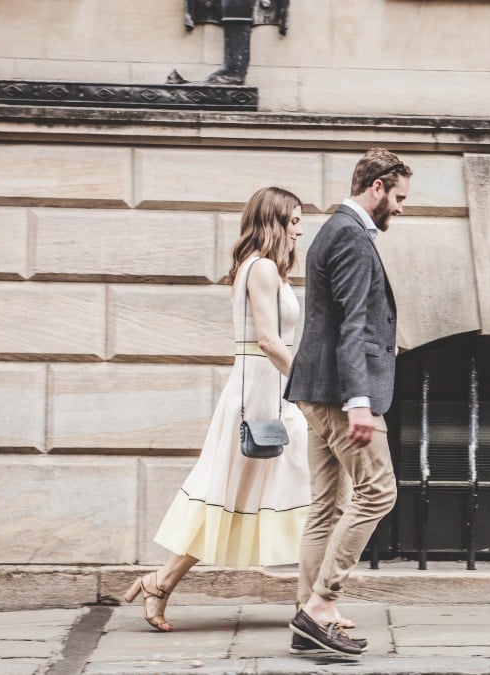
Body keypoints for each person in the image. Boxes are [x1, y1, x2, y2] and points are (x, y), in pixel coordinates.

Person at [123, 186, 310, 632]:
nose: (301, 230)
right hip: (262, 394)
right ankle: (318, 603)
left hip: (267, 389)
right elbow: (267, 340)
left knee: (256, 493)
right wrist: (307, 384)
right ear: (275, 221)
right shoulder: (262, 268)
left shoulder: (259, 268)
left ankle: (161, 583)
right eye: (295, 221)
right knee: (234, 495)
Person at [285, 148, 412, 655]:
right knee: (379, 492)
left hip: (315, 390)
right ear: (376, 187)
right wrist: (359, 401)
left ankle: (307, 616)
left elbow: (338, 320)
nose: (401, 208)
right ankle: (320, 605)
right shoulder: (353, 239)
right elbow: (354, 325)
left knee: (326, 506)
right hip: (341, 394)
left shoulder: (333, 231)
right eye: (398, 197)